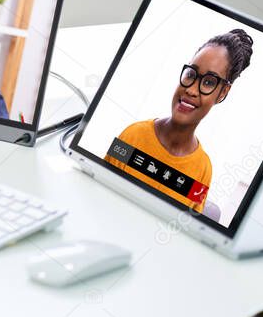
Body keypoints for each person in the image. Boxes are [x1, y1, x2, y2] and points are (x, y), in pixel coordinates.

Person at [105, 29, 254, 214]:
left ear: (223, 92)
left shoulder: (202, 170)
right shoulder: (133, 135)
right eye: (191, 75)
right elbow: (100, 192)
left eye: (208, 82)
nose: (191, 89)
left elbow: (183, 228)